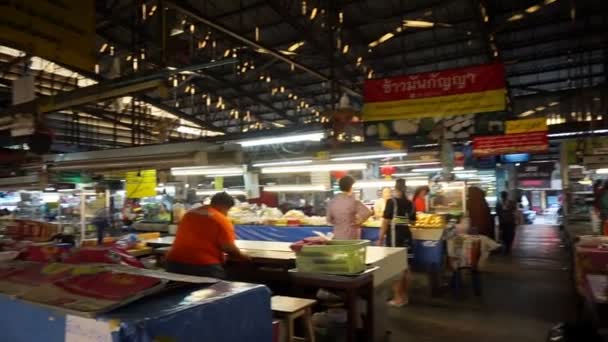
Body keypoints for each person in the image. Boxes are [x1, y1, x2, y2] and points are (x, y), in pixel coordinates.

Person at [166, 192, 250, 279]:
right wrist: (243, 257)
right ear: (226, 206)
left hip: (174, 262)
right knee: (218, 290)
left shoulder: (189, 214)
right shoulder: (220, 219)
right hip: (203, 265)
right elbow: (228, 247)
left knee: (179, 290)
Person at [378, 179, 416, 307]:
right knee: (406, 268)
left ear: (395, 189)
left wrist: (380, 237)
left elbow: (385, 222)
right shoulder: (410, 203)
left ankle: (397, 298)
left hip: (395, 238)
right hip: (407, 238)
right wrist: (402, 220)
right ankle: (404, 296)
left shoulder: (391, 202)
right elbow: (412, 222)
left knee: (396, 269)